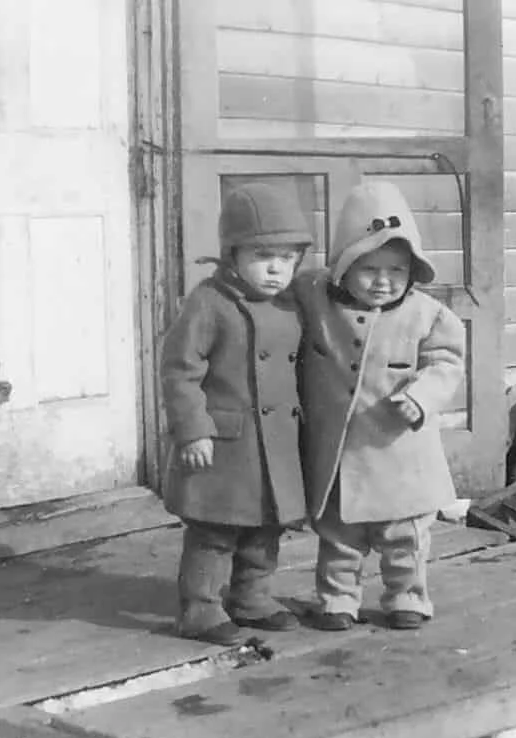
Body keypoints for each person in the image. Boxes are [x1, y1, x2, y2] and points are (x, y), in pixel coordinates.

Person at [295, 182, 467, 633]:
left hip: (399, 452)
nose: (383, 281)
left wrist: (421, 396)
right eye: (368, 268)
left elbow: (446, 364)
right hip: (341, 454)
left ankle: (407, 596)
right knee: (339, 537)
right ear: (343, 267)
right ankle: (337, 599)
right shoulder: (317, 302)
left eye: (396, 270)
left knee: (404, 537)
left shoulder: (429, 315)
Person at [158, 183, 313, 645]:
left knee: (265, 528)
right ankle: (200, 608)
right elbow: (180, 369)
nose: (276, 268)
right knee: (215, 531)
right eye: (263, 255)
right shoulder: (209, 301)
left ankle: (251, 597)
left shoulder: (290, 304)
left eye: (287, 258)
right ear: (232, 254)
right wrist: (193, 429)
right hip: (224, 445)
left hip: (276, 444)